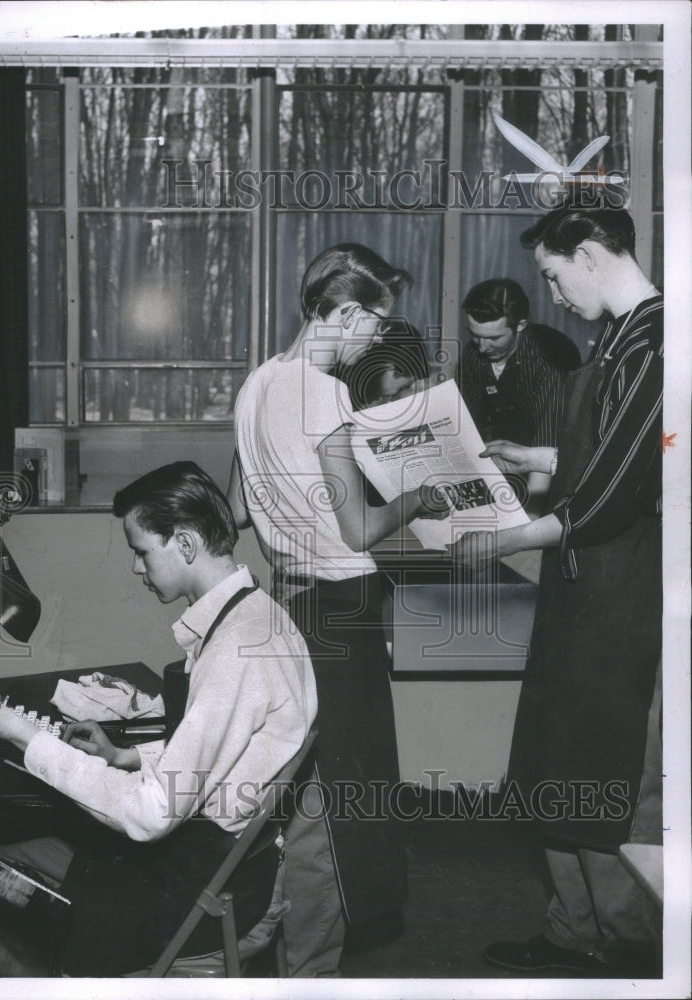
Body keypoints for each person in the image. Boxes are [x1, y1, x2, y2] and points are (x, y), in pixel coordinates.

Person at [0, 461, 317, 977]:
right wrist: (126, 755)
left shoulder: (238, 649)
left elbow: (150, 815)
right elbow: (231, 748)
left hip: (209, 891)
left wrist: (21, 734)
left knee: (8, 898)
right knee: (35, 866)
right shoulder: (257, 613)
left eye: (141, 551)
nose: (136, 567)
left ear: (186, 544)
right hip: (237, 863)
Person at [450, 206, 663, 976]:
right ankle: (572, 932)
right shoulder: (614, 339)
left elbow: (608, 499)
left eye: (551, 274)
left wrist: (500, 538)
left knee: (606, 779)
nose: (551, 294)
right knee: (555, 767)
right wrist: (529, 451)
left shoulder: (660, 343)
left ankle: (631, 953)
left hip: (621, 594)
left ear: (588, 254)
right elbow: (600, 449)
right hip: (579, 589)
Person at [227, 243, 447, 977]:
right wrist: (420, 495)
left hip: (287, 598)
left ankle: (263, 937)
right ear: (346, 311)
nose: (378, 340)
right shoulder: (326, 397)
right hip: (343, 605)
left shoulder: (258, 382)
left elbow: (236, 508)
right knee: (339, 811)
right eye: (376, 324)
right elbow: (357, 529)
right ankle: (311, 971)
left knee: (295, 798)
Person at [456, 276, 579, 456]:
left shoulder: (552, 355)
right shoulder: (471, 354)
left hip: (549, 462)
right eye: (475, 335)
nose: (482, 347)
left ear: (520, 325)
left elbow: (547, 441)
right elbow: (468, 425)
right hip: (498, 458)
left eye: (493, 338)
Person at [336, 319, 430, 411]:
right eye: (402, 388)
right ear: (389, 367)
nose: (398, 395)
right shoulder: (339, 393)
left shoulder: (352, 392)